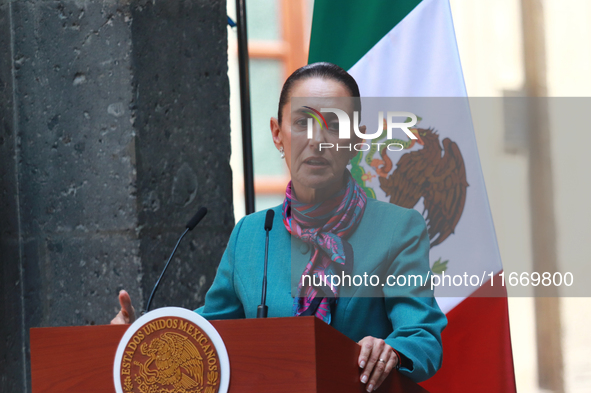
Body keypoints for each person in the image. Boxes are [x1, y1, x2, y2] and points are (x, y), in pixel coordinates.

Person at [112, 62, 447, 392]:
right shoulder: (252, 234)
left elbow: (421, 337)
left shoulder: (398, 228)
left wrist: (391, 352)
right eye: (302, 122)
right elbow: (208, 330)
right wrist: (138, 336)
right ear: (277, 133)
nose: (317, 140)